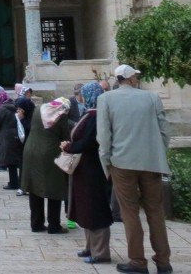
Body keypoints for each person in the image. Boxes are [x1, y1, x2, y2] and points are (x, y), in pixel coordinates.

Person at [97, 64, 172, 274]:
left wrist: (106, 163)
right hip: (150, 163)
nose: (137, 79)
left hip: (122, 163)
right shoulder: (152, 98)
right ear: (129, 78)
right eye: (135, 76)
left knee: (129, 212)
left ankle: (138, 261)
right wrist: (158, 153)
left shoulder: (106, 99)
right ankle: (163, 261)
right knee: (156, 211)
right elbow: (164, 130)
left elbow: (104, 136)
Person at [62, 81, 113, 264]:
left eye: (84, 93)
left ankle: (101, 252)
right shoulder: (90, 113)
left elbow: (89, 142)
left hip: (93, 169)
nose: (81, 96)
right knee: (86, 207)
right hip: (85, 169)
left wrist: (69, 146)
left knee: (94, 207)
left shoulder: (95, 116)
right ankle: (90, 246)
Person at [21, 96, 70, 233]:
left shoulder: (38, 109)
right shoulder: (61, 116)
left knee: (34, 188)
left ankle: (36, 224)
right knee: (54, 188)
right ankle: (54, 226)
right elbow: (65, 137)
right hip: (49, 154)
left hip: (31, 150)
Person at [0, 87, 22, 190]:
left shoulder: (2, 109)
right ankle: (15, 181)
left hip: (5, 136)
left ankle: (13, 183)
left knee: (10, 161)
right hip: (14, 135)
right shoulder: (13, 106)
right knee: (13, 160)